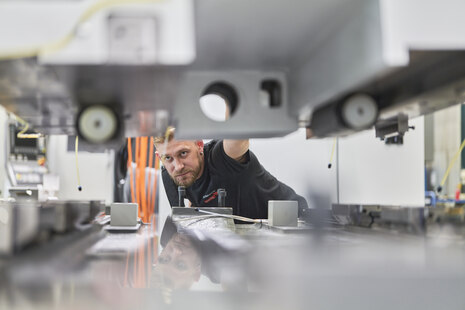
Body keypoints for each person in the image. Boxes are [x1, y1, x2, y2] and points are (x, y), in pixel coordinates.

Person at [154, 128, 308, 219]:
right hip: (245, 239)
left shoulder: (221, 157)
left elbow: (238, 135)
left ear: (199, 145)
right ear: (159, 157)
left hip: (295, 221)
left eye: (183, 153)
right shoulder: (173, 176)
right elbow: (191, 212)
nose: (178, 166)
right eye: (168, 158)